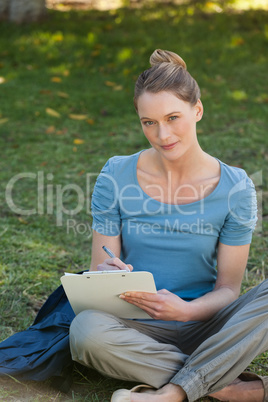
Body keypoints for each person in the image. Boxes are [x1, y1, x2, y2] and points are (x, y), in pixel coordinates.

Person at [69, 49, 268, 402]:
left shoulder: (236, 187)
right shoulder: (115, 175)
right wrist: (107, 274)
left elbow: (228, 289)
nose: (162, 134)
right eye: (149, 122)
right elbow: (99, 267)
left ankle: (172, 394)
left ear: (198, 110)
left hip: (207, 325)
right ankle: (229, 390)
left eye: (173, 117)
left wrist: (187, 310)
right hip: (136, 325)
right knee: (85, 330)